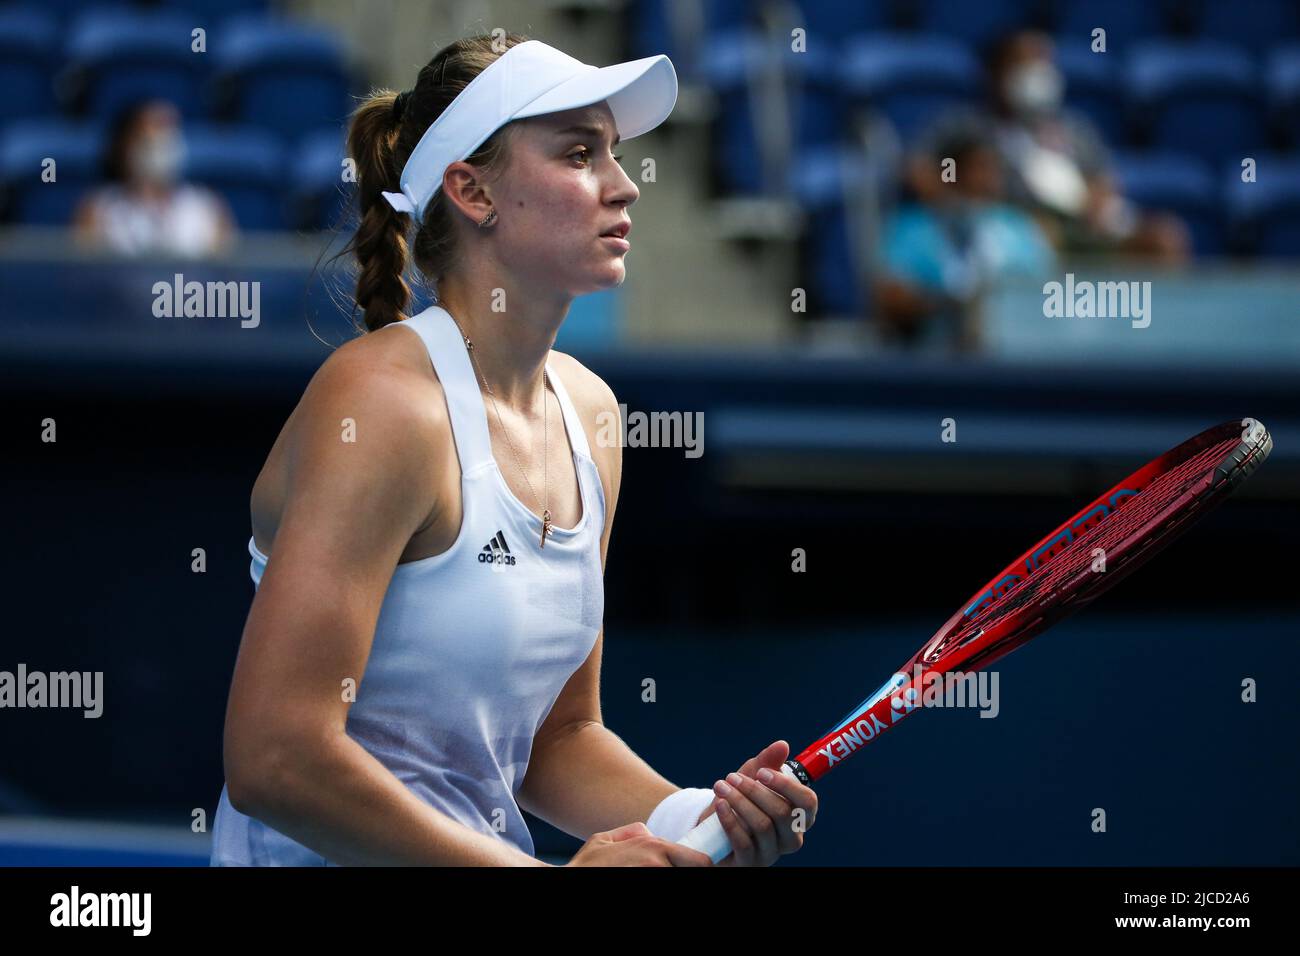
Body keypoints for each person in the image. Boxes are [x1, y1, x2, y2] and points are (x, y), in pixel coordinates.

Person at [210, 34, 817, 866]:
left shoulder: (594, 417)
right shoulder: (383, 405)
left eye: (614, 151)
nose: (621, 184)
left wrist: (694, 817)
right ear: (472, 190)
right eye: (577, 153)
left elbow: (559, 736)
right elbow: (275, 758)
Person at [979, 29, 1188, 261]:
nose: (1036, 71)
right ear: (996, 71)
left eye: (1042, 61)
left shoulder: (1075, 128)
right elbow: (948, 180)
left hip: (1088, 226)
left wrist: (1096, 201)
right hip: (1022, 231)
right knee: (1037, 237)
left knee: (1163, 238)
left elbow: (1105, 182)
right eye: (1024, 62)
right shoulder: (971, 128)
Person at [877, 118, 1056, 352]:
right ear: (952, 172)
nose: (988, 179)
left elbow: (1044, 293)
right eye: (978, 167)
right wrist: (953, 306)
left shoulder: (1017, 226)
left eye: (993, 169)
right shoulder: (912, 227)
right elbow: (891, 299)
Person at [73, 99, 236, 257]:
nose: (162, 143)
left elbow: (227, 276)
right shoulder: (98, 210)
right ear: (125, 145)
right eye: (152, 132)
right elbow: (83, 276)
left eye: (170, 132)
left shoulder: (208, 209)